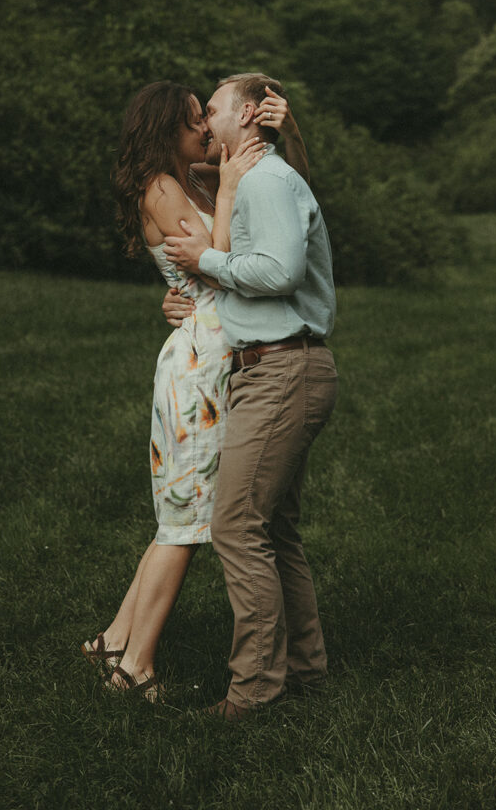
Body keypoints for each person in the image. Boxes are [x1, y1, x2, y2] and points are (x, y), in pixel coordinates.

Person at [81, 79, 308, 699]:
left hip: (214, 348)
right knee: (185, 521)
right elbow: (220, 256)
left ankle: (114, 638)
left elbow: (263, 177)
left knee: (183, 512)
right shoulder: (163, 187)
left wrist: (273, 131)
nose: (205, 130)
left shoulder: (195, 177)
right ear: (165, 131)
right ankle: (135, 667)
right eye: (192, 122)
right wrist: (229, 189)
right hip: (200, 363)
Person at [164, 73, 338, 721]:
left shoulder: (265, 180)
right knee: (275, 528)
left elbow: (277, 271)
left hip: (282, 370)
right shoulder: (253, 174)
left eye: (212, 109)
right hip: (275, 368)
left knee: (235, 525)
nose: (206, 122)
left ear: (244, 114)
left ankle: (254, 691)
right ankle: (304, 670)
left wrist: (205, 262)